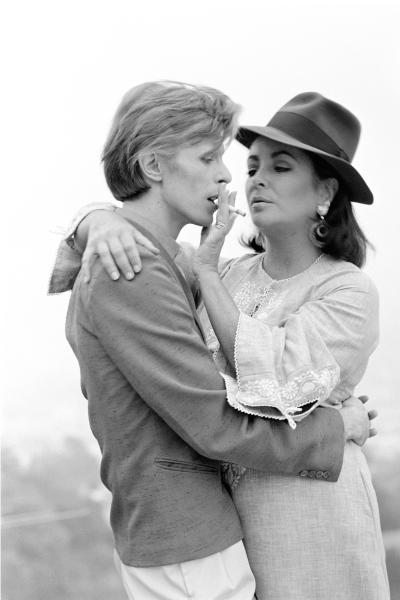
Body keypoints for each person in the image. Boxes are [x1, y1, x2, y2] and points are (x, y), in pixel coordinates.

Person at [49, 83, 376, 600]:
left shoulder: (343, 288)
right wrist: (96, 220)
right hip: (215, 522)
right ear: (156, 167)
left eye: (281, 167)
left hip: (308, 508)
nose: (242, 179)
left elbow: (275, 382)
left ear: (325, 193)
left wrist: (107, 222)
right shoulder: (208, 272)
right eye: (247, 166)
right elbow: (212, 419)